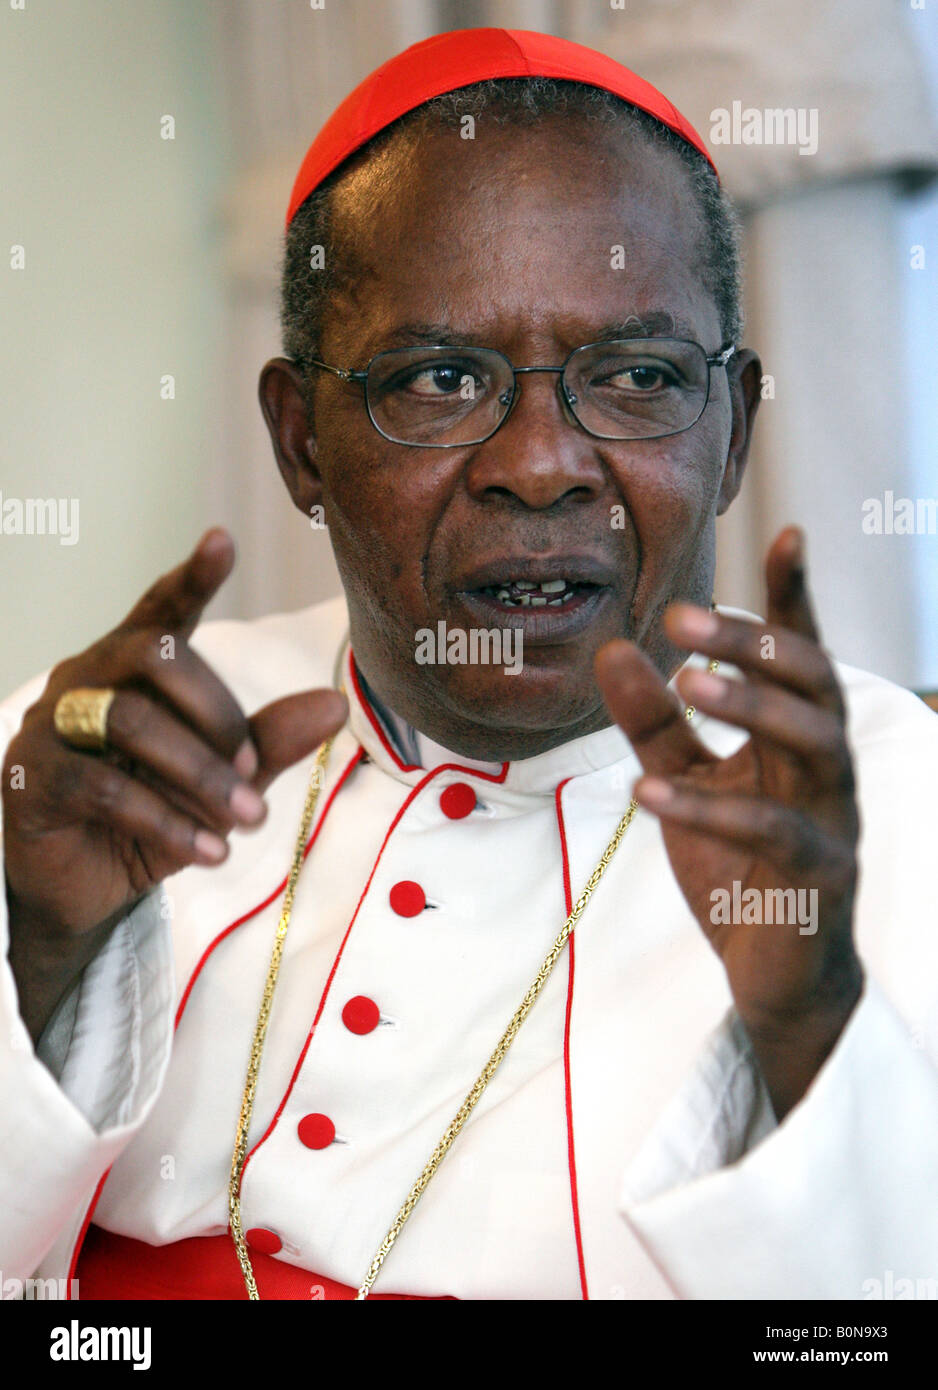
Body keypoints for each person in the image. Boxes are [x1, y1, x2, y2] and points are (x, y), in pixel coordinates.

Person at [1, 27, 936, 1302]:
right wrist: (40, 952)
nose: (540, 462)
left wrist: (805, 1031)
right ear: (300, 443)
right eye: (440, 378)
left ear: (730, 435)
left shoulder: (909, 820)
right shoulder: (107, 763)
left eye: (638, 375)